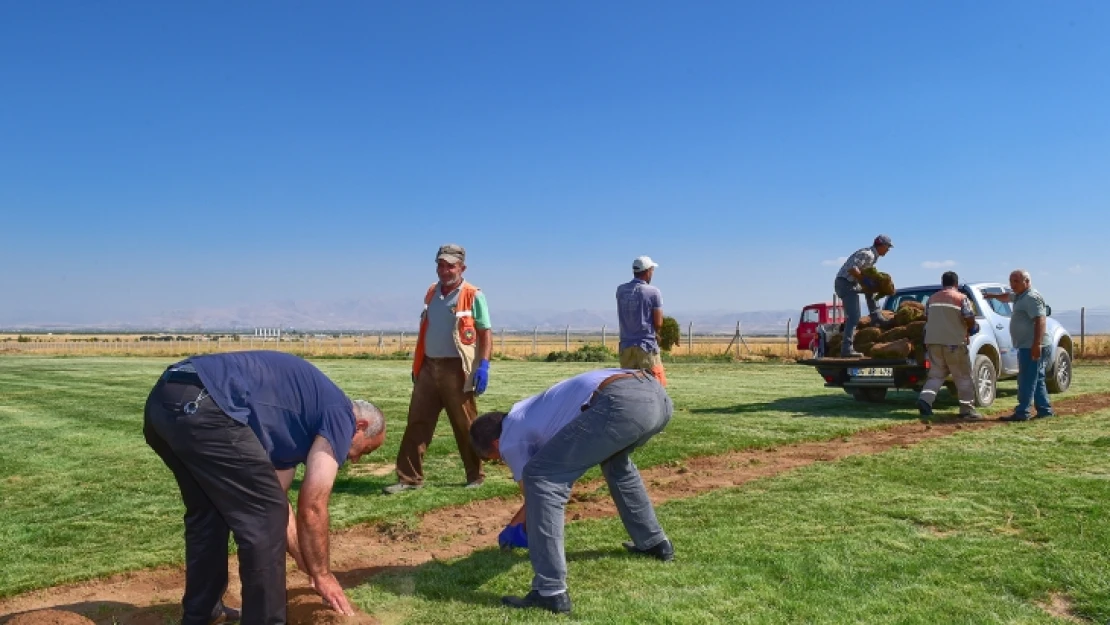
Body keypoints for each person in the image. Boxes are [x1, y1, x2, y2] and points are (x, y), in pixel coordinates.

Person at [143, 350, 387, 625]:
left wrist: (305, 559)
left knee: (210, 513)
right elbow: (313, 504)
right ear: (360, 426)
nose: (353, 459)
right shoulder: (341, 414)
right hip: (206, 403)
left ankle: (203, 614)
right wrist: (322, 574)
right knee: (263, 520)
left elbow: (277, 501)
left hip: (166, 400)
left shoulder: (294, 429)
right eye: (363, 451)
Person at [469, 369, 675, 615]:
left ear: (494, 444)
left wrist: (513, 528)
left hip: (619, 402)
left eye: (494, 459)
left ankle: (550, 591)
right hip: (655, 394)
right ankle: (654, 543)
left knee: (540, 477)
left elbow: (536, 489)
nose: (502, 462)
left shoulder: (510, 439)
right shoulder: (525, 411)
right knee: (616, 465)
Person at [384, 243, 492, 494]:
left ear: (462, 267)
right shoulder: (432, 293)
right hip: (429, 367)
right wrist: (419, 365)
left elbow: (485, 332)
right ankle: (409, 478)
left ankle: (475, 476)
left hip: (458, 368)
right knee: (417, 422)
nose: (444, 270)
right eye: (440, 265)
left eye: (450, 266)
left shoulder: (474, 294)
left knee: (465, 424)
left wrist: (483, 365)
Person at [983, 270, 1055, 421]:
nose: (1012, 284)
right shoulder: (1020, 296)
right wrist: (992, 296)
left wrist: (1037, 344)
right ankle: (1045, 410)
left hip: (1032, 346)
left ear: (1026, 282)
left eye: (1016, 281)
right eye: (1011, 281)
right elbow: (1006, 297)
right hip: (1027, 345)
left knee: (1026, 379)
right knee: (1037, 378)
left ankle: (1023, 412)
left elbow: (1040, 320)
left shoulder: (1031, 297)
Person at [916, 271, 982, 420]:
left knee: (935, 375)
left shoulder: (932, 299)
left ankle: (925, 401)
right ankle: (967, 410)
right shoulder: (961, 298)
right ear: (956, 284)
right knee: (963, 377)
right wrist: (972, 328)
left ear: (942, 283)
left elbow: (927, 317)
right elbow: (968, 316)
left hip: (933, 343)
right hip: (954, 343)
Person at [834, 235, 893, 357]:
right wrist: (864, 280)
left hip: (851, 283)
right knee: (854, 317)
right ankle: (847, 349)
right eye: (887, 247)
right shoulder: (868, 254)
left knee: (870, 289)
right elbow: (852, 269)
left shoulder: (873, 256)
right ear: (882, 246)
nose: (888, 250)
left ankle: (875, 315)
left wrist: (872, 284)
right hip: (846, 284)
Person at [616, 255, 667, 385]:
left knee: (628, 385)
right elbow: (658, 322)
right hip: (646, 345)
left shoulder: (621, 290)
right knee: (654, 385)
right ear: (648, 271)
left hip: (626, 345)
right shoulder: (653, 292)